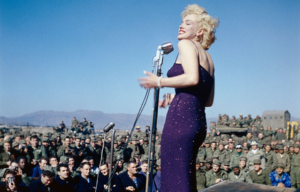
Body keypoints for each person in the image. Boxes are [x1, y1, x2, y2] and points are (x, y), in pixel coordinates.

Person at [139, 4, 218, 191]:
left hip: (180, 123)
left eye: (188, 23)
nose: (181, 26)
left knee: (175, 179)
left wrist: (159, 81)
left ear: (200, 31)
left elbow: (192, 77)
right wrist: (175, 99)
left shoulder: (186, 44)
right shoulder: (209, 59)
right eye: (182, 22)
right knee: (184, 178)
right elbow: (208, 101)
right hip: (198, 124)